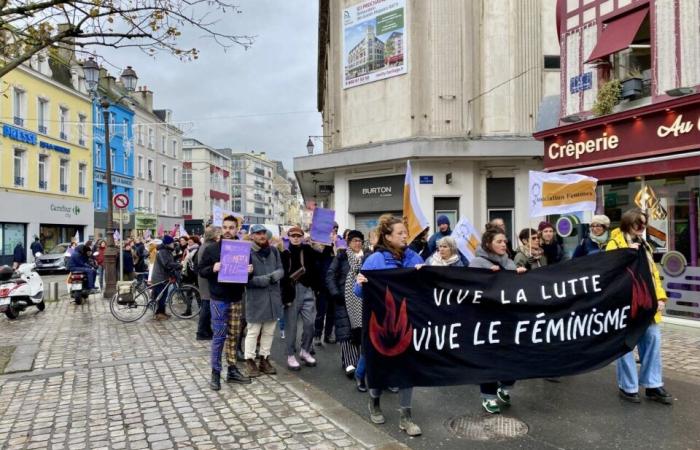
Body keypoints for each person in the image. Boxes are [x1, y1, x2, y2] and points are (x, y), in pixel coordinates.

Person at [354, 214, 424, 437]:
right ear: (387, 236)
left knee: (407, 369)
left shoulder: (414, 258)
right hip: (380, 325)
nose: (405, 236)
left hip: (407, 323)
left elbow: (427, 287)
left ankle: (406, 416)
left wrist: (426, 275)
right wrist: (361, 282)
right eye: (400, 233)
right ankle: (374, 402)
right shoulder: (374, 260)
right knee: (378, 365)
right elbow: (358, 292)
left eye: (406, 233)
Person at [606, 208, 672, 405]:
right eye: (638, 224)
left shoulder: (646, 245)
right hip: (626, 305)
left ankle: (653, 385)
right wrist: (626, 255)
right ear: (628, 223)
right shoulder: (614, 243)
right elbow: (610, 274)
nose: (642, 228)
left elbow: (653, 276)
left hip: (647, 304)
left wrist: (660, 298)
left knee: (652, 341)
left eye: (644, 223)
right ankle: (628, 386)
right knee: (625, 345)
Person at [469, 225, 527, 414]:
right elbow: (468, 289)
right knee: (489, 357)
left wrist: (521, 276)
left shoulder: (510, 263)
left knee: (513, 354)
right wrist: (485, 278)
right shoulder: (477, 262)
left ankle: (504, 386)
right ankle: (488, 396)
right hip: (486, 319)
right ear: (488, 244)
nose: (504, 244)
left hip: (508, 318)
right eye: (499, 241)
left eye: (505, 241)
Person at [198, 215, 251, 390]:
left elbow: (247, 273)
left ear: (237, 229)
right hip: (218, 299)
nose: (228, 230)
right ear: (221, 229)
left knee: (234, 337)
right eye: (225, 227)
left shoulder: (243, 249)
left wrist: (250, 270)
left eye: (231, 227)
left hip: (236, 298)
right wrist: (212, 268)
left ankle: (232, 370)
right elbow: (201, 271)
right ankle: (215, 373)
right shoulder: (212, 249)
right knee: (219, 337)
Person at [244, 224, 284, 377]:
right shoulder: (247, 253)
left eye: (263, 233)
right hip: (256, 298)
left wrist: (274, 276)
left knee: (269, 331)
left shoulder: (273, 250)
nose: (262, 236)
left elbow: (281, 269)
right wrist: (266, 279)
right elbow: (245, 279)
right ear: (252, 236)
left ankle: (264, 359)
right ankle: (250, 361)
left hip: (273, 298)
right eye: (258, 233)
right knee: (253, 331)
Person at [326, 230, 365, 378]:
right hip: (343, 299)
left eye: (360, 241)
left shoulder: (366, 257)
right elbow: (330, 275)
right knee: (345, 329)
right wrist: (335, 293)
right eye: (354, 240)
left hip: (362, 299)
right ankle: (349, 362)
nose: (357, 243)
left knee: (360, 330)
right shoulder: (342, 256)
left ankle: (359, 361)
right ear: (349, 242)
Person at [281, 226, 321, 370]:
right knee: (291, 327)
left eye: (299, 236)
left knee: (310, 324)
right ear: (289, 237)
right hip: (292, 292)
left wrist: (323, 242)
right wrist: (285, 296)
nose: (296, 238)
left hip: (308, 291)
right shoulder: (284, 253)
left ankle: (305, 350)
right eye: (293, 236)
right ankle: (290, 355)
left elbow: (323, 256)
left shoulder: (308, 249)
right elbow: (282, 276)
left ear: (303, 237)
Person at [314, 222, 339, 345]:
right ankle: (317, 335)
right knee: (320, 313)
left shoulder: (339, 247)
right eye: (332, 230)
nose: (333, 232)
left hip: (334, 287)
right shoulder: (322, 248)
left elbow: (340, 259)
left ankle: (328, 335)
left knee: (331, 313)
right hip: (323, 286)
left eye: (335, 230)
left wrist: (335, 244)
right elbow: (318, 265)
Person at [150, 235, 182, 321]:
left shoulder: (166, 250)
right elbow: (166, 264)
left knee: (162, 295)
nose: (173, 244)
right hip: (160, 277)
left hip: (163, 276)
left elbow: (169, 261)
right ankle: (159, 314)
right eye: (172, 243)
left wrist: (177, 258)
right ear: (168, 243)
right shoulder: (163, 251)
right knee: (162, 296)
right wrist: (178, 265)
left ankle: (161, 312)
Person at [196, 223, 219, 341]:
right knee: (206, 305)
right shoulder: (208, 246)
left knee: (207, 305)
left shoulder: (204, 245)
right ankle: (201, 331)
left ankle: (206, 330)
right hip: (206, 279)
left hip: (204, 278)